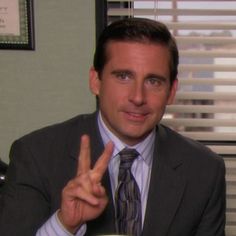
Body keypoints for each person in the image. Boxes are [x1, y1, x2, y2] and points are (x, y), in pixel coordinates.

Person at [0, 18, 225, 236]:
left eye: (153, 81)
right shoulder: (35, 155)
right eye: (124, 76)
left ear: (172, 91)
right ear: (95, 81)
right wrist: (64, 225)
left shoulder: (204, 170)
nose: (138, 97)